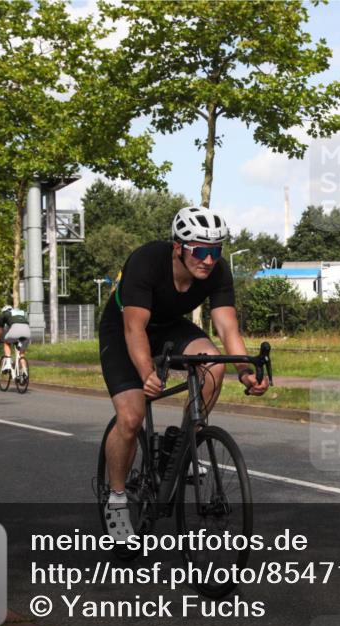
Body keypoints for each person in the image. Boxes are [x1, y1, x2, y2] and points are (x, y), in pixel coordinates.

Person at [98, 205, 269, 541]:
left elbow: (227, 327)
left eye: (215, 251)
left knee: (215, 363)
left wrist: (246, 371)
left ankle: (180, 445)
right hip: (124, 331)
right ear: (178, 247)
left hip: (170, 328)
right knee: (131, 417)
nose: (208, 259)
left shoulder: (218, 272)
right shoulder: (147, 261)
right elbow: (135, 329)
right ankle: (116, 501)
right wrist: (147, 371)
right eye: (200, 251)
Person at [0, 305, 31, 373]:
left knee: (6, 342)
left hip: (15, 330)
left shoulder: (4, 314)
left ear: (3, 311)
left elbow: (0, 330)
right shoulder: (21, 312)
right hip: (27, 331)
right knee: (21, 354)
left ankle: (8, 364)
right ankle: (25, 372)